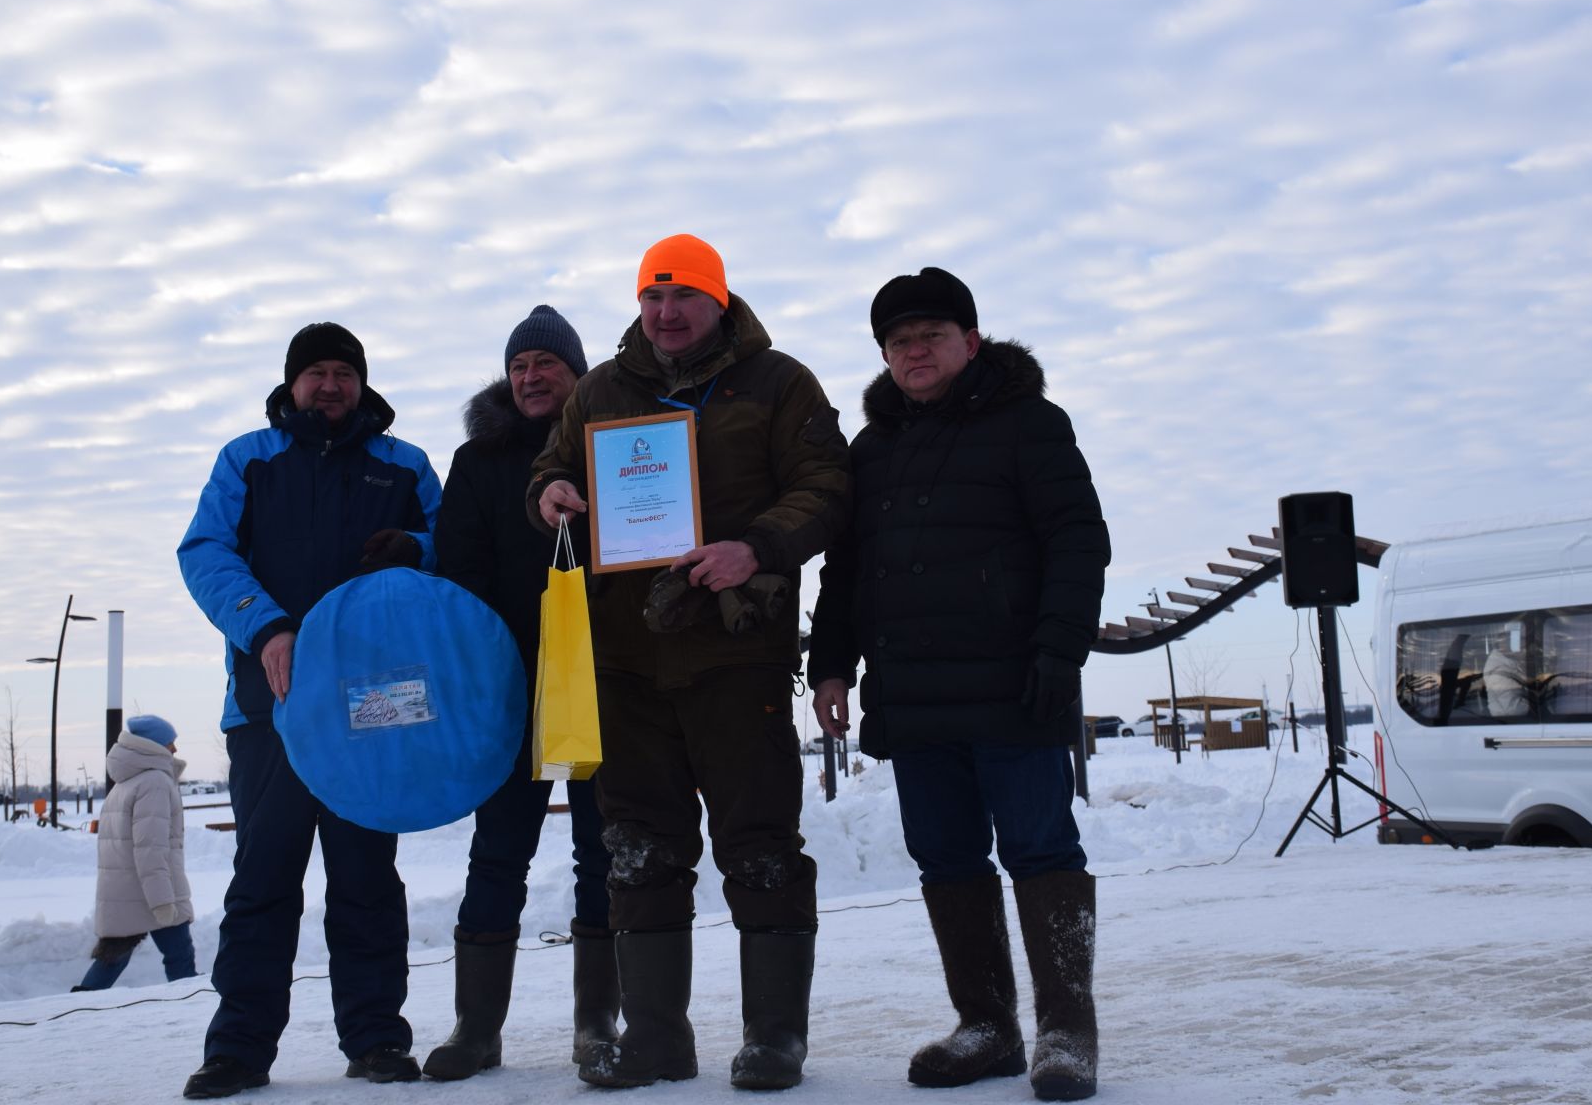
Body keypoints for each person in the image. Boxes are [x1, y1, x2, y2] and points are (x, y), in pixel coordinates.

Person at [529, 234, 851, 1091]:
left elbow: (828, 486)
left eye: (684, 298)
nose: (666, 314)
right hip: (625, 664)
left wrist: (757, 546)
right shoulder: (601, 388)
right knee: (638, 850)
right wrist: (550, 494)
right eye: (651, 299)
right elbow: (553, 466)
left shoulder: (780, 382)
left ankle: (776, 1038)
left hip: (736, 655)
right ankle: (658, 1041)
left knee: (760, 846)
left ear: (719, 300)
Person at [806, 267, 1111, 1103]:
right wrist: (830, 663)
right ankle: (986, 1025)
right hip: (913, 695)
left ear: (970, 343)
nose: (915, 353)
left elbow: (1078, 541)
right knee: (945, 857)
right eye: (899, 343)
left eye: (931, 337)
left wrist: (1060, 651)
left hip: (1016, 687)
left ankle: (1065, 1033)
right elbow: (847, 571)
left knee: (1042, 851)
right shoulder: (871, 450)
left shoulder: (1030, 424)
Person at [176, 322, 442, 1098]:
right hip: (272, 707)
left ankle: (376, 1039)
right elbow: (204, 551)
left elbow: (452, 544)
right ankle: (238, 1049)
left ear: (362, 382)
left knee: (366, 876)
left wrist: (414, 552)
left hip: (376, 709)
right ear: (291, 383)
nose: (329, 385)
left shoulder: (405, 465)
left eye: (343, 372)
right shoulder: (248, 460)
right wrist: (267, 625)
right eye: (315, 372)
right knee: (262, 879)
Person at [421, 305, 619, 1080]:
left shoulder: (614, 449)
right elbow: (460, 581)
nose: (532, 377)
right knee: (497, 853)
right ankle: (477, 1029)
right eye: (519, 366)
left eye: (547, 363)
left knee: (602, 852)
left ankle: (598, 1027)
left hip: (605, 684)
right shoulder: (477, 464)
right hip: (510, 690)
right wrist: (479, 682)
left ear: (577, 374)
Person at [72, 714, 198, 992]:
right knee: (180, 957)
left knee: (113, 958)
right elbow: (150, 848)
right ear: (153, 746)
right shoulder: (154, 782)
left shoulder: (125, 783)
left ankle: (81, 1005)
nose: (175, 749)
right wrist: (162, 900)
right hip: (155, 891)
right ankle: (190, 1004)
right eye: (170, 742)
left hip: (126, 891)